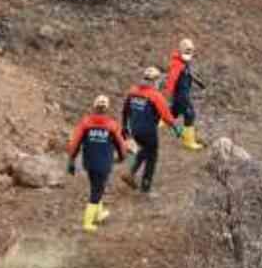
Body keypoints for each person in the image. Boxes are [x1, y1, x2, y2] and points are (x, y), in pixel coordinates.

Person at [66, 95, 129, 234]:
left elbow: (74, 143)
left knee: (96, 186)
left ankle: (99, 214)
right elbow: (121, 145)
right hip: (104, 164)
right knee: (97, 191)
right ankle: (87, 223)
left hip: (89, 163)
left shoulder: (85, 123)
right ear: (107, 109)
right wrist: (122, 157)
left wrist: (71, 161)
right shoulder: (112, 125)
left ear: (94, 107)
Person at [120, 67, 182, 196]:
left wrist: (125, 128)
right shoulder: (155, 96)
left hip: (134, 128)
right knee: (152, 157)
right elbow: (166, 115)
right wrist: (176, 129)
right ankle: (146, 188)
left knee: (144, 150)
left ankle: (130, 172)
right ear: (155, 80)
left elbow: (125, 110)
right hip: (148, 130)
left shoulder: (133, 92)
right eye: (158, 80)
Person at [166, 37, 205, 151]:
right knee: (190, 114)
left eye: (191, 51)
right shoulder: (177, 64)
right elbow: (171, 80)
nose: (190, 53)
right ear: (181, 50)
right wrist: (166, 94)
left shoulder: (184, 61)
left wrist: (198, 82)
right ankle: (189, 142)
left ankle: (150, 124)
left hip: (182, 94)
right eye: (187, 50)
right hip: (181, 95)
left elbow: (187, 73)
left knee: (172, 113)